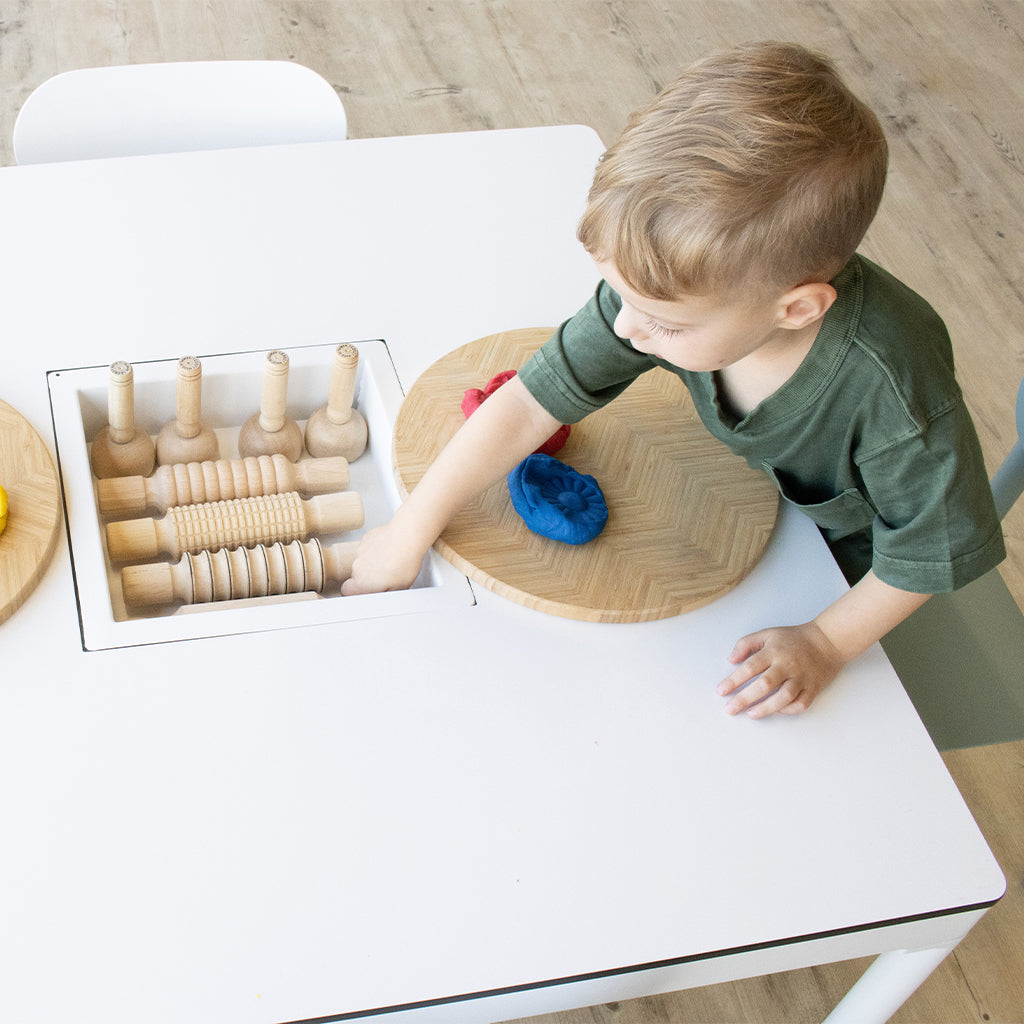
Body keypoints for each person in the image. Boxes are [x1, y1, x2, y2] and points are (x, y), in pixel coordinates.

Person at [342, 41, 1005, 719]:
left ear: (797, 309)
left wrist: (826, 642)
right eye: (615, 294)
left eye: (662, 323)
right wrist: (409, 530)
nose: (626, 328)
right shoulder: (674, 297)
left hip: (849, 572)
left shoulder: (893, 389)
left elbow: (927, 548)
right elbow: (528, 404)